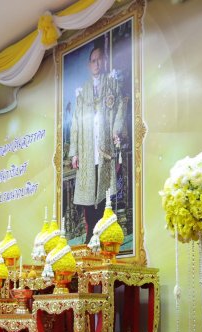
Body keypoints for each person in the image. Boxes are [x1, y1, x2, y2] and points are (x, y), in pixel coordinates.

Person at [69, 44, 127, 243]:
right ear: (89, 65)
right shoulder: (82, 92)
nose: (97, 64)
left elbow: (120, 107)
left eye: (100, 59)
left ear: (105, 61)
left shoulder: (112, 84)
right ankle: (90, 233)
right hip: (87, 150)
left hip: (104, 147)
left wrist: (116, 130)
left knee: (104, 190)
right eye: (93, 61)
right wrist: (74, 152)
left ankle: (103, 231)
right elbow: (76, 122)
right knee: (87, 190)